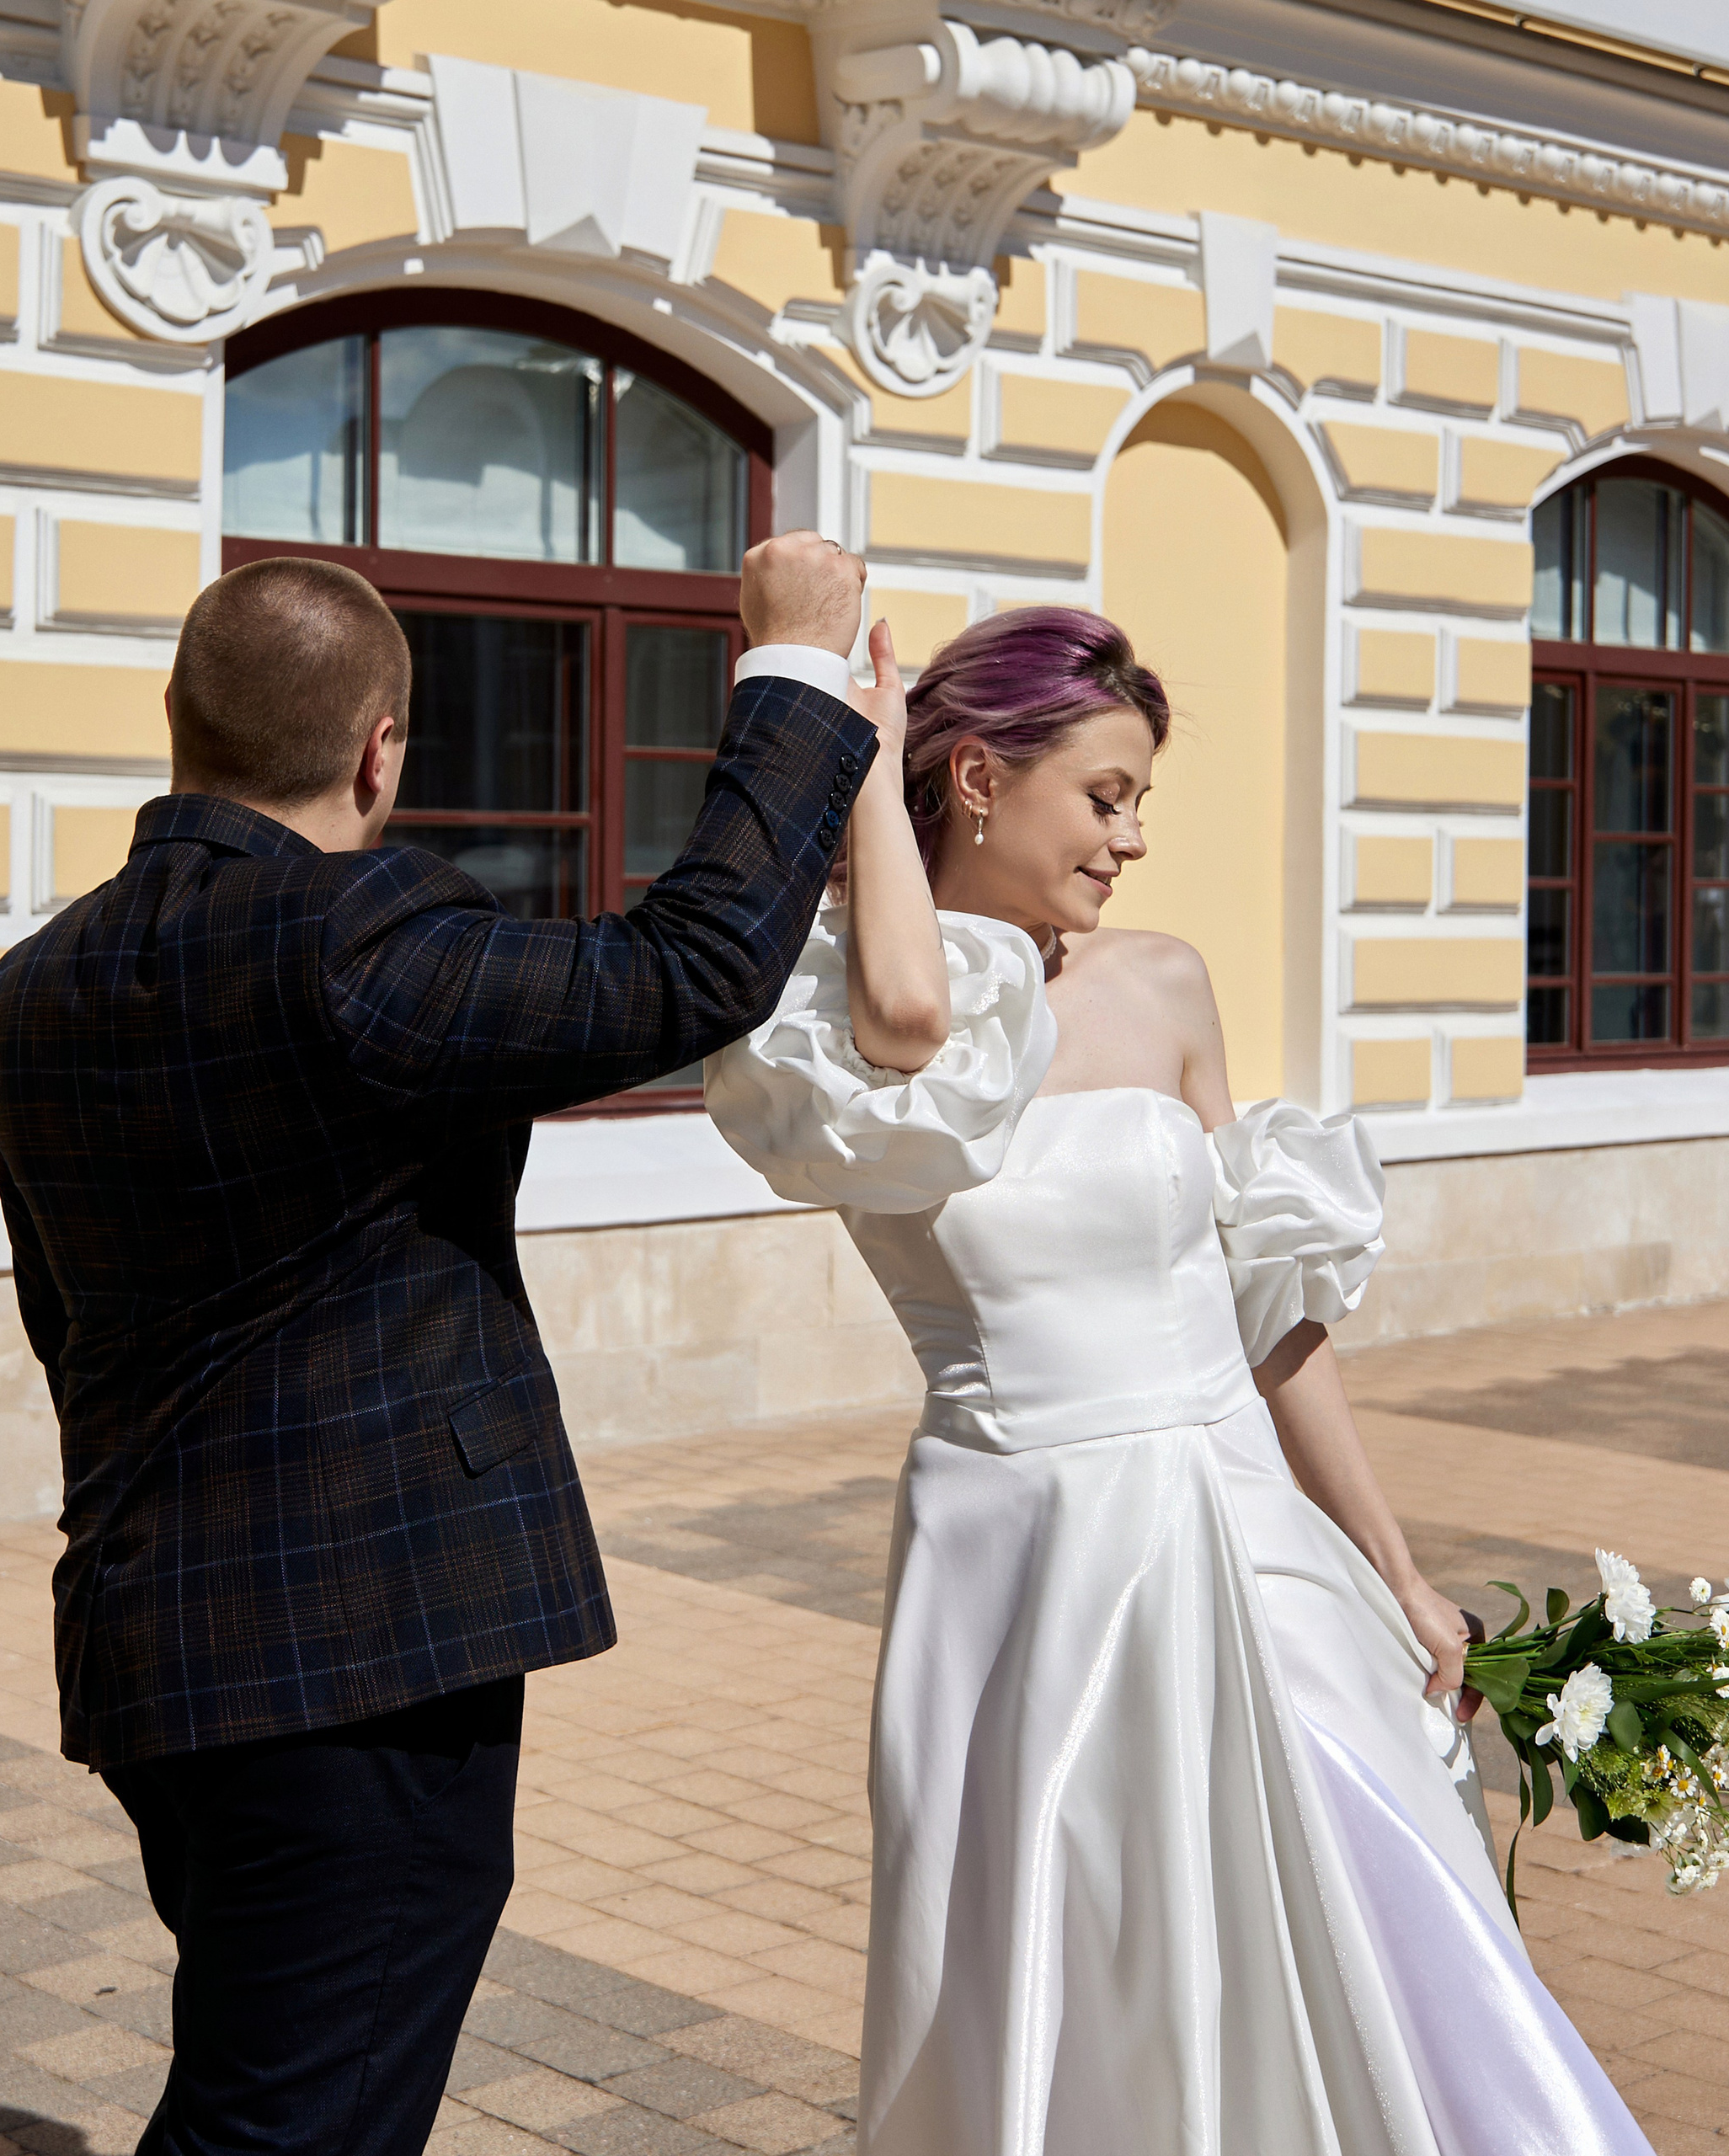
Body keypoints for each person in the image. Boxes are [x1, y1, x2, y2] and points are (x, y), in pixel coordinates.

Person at [0, 536, 877, 2156]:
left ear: (175, 717)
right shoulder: (351, 943)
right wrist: (798, 661)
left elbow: (63, 1321)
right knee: (297, 2117)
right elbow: (691, 968)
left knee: (276, 2055)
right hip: (357, 1662)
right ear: (382, 749)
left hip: (148, 1642)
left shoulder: (31, 987)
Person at [705, 606, 1653, 2155]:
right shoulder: (840, 1033)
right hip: (1032, 1570)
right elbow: (911, 1013)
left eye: (1140, 798)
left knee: (1384, 1934)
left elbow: (1270, 1315)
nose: (1132, 839)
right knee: (1086, 1982)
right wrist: (858, 761)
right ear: (976, 780)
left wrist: (1395, 1571)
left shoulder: (1166, 985)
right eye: (1106, 794)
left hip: (1246, 1536)